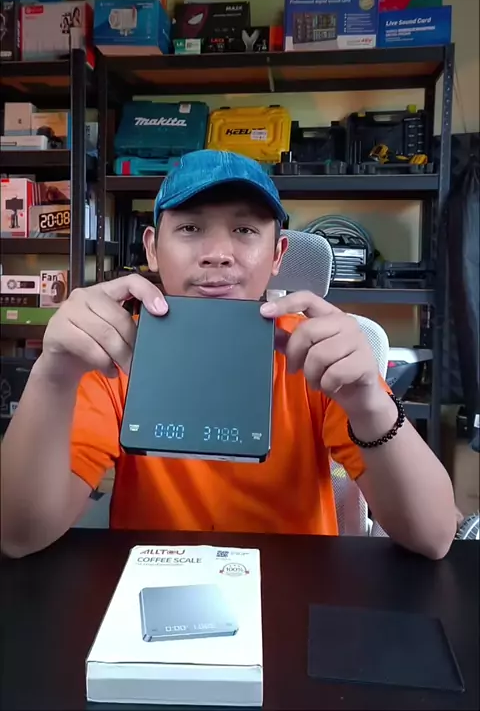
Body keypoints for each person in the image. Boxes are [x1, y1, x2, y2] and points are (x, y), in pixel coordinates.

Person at [1, 150, 457, 559]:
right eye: (190, 228)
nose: (218, 254)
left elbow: (433, 536)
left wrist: (369, 402)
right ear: (152, 249)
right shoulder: (115, 352)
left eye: (244, 230)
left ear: (277, 254)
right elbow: (18, 534)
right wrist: (53, 374)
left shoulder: (314, 355)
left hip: (294, 592)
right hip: (152, 594)